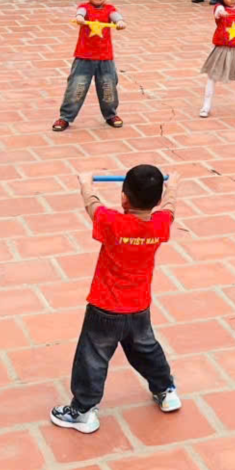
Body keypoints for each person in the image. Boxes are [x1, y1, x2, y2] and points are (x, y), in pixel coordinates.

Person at [50, 165, 179, 435]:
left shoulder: (112, 222)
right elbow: (169, 208)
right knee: (146, 349)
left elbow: (93, 206)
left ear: (123, 198)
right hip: (139, 306)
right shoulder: (160, 223)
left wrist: (86, 182)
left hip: (104, 308)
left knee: (92, 357)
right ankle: (166, 390)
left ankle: (83, 411)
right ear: (156, 200)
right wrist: (173, 185)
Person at [53, 0, 125, 131]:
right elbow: (81, 13)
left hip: (105, 57)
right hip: (84, 56)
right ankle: (65, 117)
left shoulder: (109, 9)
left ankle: (111, 114)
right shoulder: (84, 7)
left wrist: (119, 22)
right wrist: (79, 18)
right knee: (76, 87)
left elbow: (116, 16)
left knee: (108, 87)